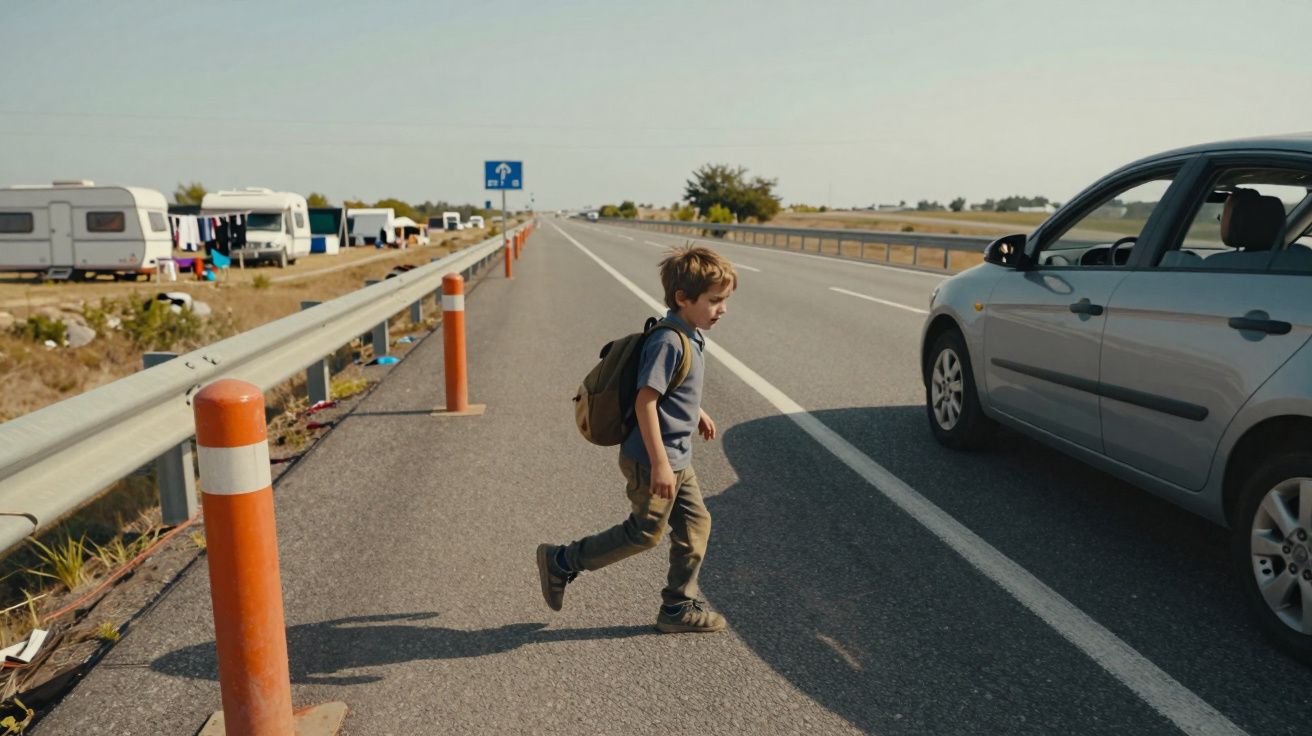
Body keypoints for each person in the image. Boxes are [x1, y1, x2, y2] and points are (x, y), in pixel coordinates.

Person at [536, 245, 738, 633]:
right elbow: (646, 400)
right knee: (644, 533)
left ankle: (677, 608)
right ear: (683, 298)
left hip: (677, 457)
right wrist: (660, 462)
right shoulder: (668, 341)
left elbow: (672, 389)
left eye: (724, 300)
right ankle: (562, 561)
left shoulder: (690, 334)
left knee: (697, 526)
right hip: (653, 460)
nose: (722, 309)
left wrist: (697, 412)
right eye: (715, 301)